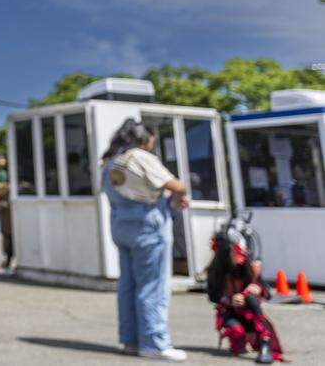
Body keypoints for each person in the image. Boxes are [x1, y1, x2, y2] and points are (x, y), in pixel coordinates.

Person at [101, 118, 190, 362]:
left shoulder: (110, 162)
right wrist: (179, 195)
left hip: (121, 226)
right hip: (148, 227)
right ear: (144, 139)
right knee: (152, 285)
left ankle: (131, 340)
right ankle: (154, 342)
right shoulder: (140, 157)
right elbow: (175, 184)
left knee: (128, 286)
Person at [206, 214, 283, 363]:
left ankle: (265, 343)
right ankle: (240, 340)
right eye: (234, 252)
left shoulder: (248, 267)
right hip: (230, 313)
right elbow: (212, 296)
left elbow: (267, 294)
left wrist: (258, 289)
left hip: (251, 312)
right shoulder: (215, 273)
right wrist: (229, 300)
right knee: (236, 332)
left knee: (250, 298)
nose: (239, 257)